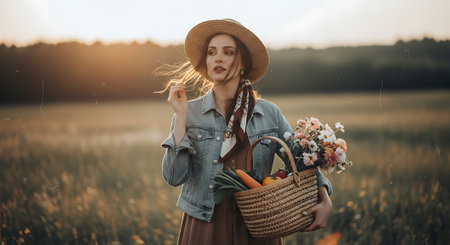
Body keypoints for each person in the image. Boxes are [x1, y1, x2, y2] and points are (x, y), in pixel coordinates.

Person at [160, 19, 333, 245]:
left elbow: (301, 159)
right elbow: (173, 177)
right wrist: (181, 117)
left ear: (243, 63)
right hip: (205, 226)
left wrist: (325, 196)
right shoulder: (188, 113)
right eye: (212, 52)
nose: (218, 58)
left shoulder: (269, 113)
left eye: (228, 52)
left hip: (259, 226)